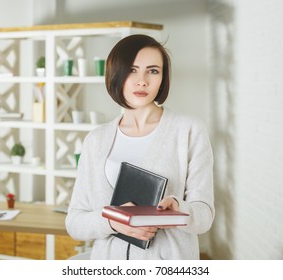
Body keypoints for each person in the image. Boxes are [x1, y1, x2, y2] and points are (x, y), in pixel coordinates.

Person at [66, 34, 214, 260]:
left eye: (153, 71)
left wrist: (178, 209)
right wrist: (113, 221)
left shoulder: (189, 130)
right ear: (116, 74)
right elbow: (75, 223)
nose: (142, 80)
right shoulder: (95, 140)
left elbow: (204, 216)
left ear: (163, 77)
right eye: (132, 70)